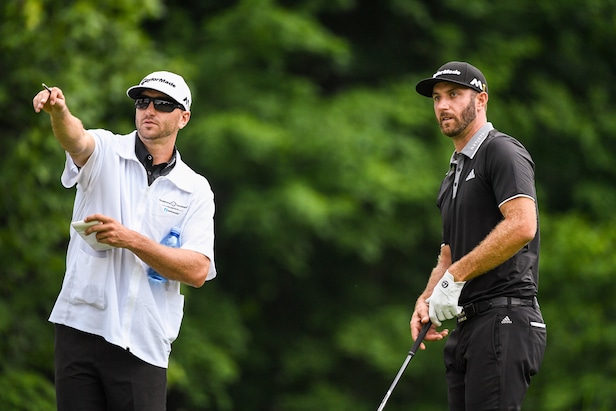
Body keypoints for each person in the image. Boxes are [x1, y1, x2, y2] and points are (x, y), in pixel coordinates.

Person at [33, 71, 217, 411]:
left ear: (184, 117)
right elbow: (76, 140)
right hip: (81, 325)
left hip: (143, 342)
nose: (149, 110)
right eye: (142, 102)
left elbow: (197, 270)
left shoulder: (195, 189)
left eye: (162, 105)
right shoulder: (106, 149)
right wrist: (59, 112)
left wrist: (132, 240)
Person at [409, 61, 546, 410]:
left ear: (481, 100)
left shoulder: (501, 151)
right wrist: (426, 299)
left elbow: (522, 225)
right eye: (437, 98)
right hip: (469, 325)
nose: (442, 105)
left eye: (454, 95)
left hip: (505, 318)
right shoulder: (452, 175)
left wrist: (455, 277)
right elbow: (449, 255)